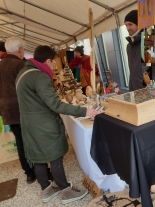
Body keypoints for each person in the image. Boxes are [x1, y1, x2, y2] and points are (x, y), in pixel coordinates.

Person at [16, 45, 99, 204]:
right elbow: (55, 104)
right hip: (43, 124)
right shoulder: (39, 76)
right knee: (55, 156)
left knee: (39, 157)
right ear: (48, 60)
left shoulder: (23, 73)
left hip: (29, 124)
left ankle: (46, 190)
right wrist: (84, 111)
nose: (54, 66)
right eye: (53, 63)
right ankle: (66, 190)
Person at [0, 37, 36, 184]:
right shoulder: (21, 65)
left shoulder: (1, 65)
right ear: (20, 49)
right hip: (23, 109)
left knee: (20, 142)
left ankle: (29, 173)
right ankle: (40, 170)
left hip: (7, 111)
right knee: (32, 140)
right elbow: (29, 89)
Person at [124, 9, 155, 91]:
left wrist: (153, 90)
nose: (128, 28)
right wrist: (131, 91)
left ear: (138, 24)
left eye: (130, 24)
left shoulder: (148, 41)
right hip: (135, 93)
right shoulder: (129, 46)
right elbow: (132, 73)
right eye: (126, 25)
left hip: (148, 92)